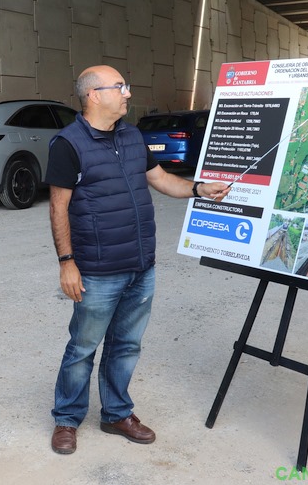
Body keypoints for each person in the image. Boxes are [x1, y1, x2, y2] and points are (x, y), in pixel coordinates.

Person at [46, 65, 230, 455]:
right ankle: (66, 418)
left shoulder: (132, 136)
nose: (128, 93)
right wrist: (67, 262)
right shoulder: (68, 143)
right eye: (120, 87)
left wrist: (199, 189)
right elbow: (58, 207)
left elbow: (161, 179)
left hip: (141, 264)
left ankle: (116, 413)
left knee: (127, 345)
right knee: (83, 347)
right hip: (96, 269)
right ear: (94, 95)